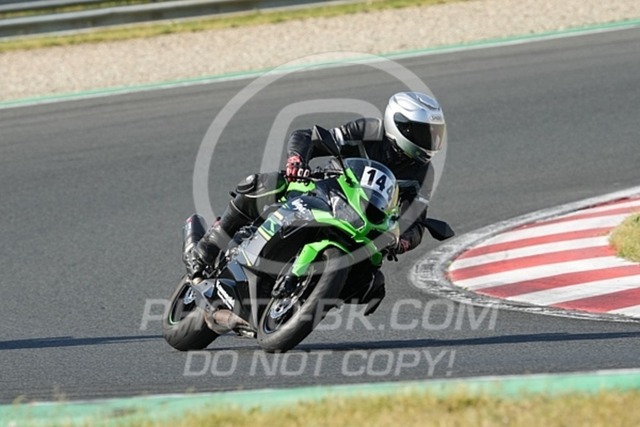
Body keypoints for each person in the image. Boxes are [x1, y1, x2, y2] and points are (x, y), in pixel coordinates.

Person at [184, 91, 446, 310]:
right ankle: (208, 247)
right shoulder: (369, 130)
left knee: (370, 283)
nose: (431, 141)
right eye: (425, 133)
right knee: (263, 184)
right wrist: (297, 160)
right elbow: (309, 136)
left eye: (436, 134)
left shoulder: (424, 172)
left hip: (367, 221)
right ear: (400, 125)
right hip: (328, 190)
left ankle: (310, 296)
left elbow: (416, 219)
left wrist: (404, 240)